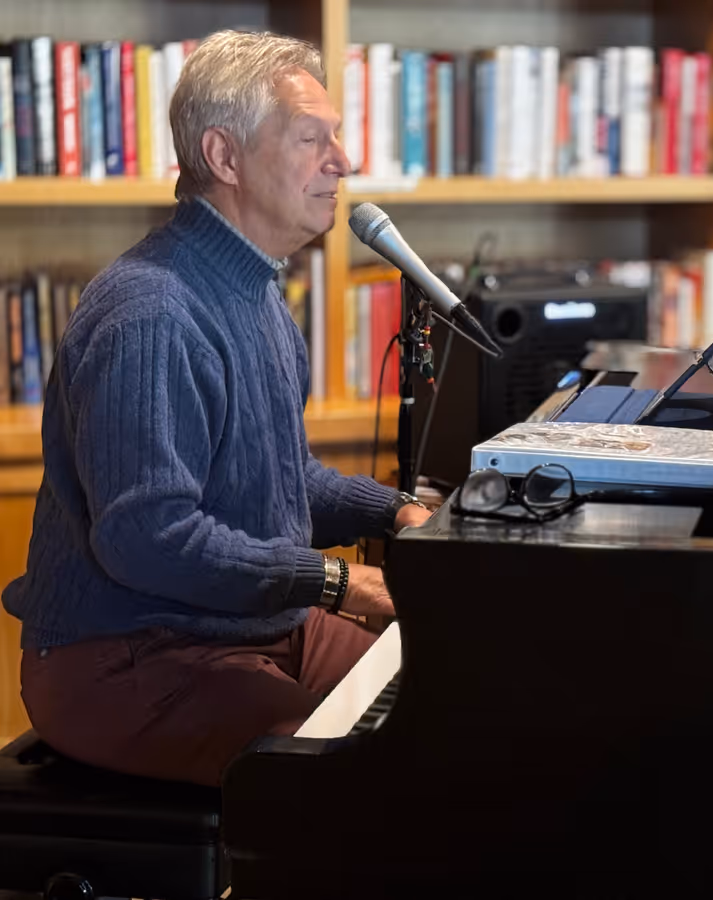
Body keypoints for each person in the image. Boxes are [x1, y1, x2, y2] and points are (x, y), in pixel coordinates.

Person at [0, 30, 430, 787]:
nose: (344, 160)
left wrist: (392, 511)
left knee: (445, 703)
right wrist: (334, 583)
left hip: (246, 626)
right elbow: (148, 538)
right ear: (225, 157)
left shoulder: (259, 290)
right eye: (311, 139)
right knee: (353, 784)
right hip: (129, 653)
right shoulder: (152, 313)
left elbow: (280, 475)